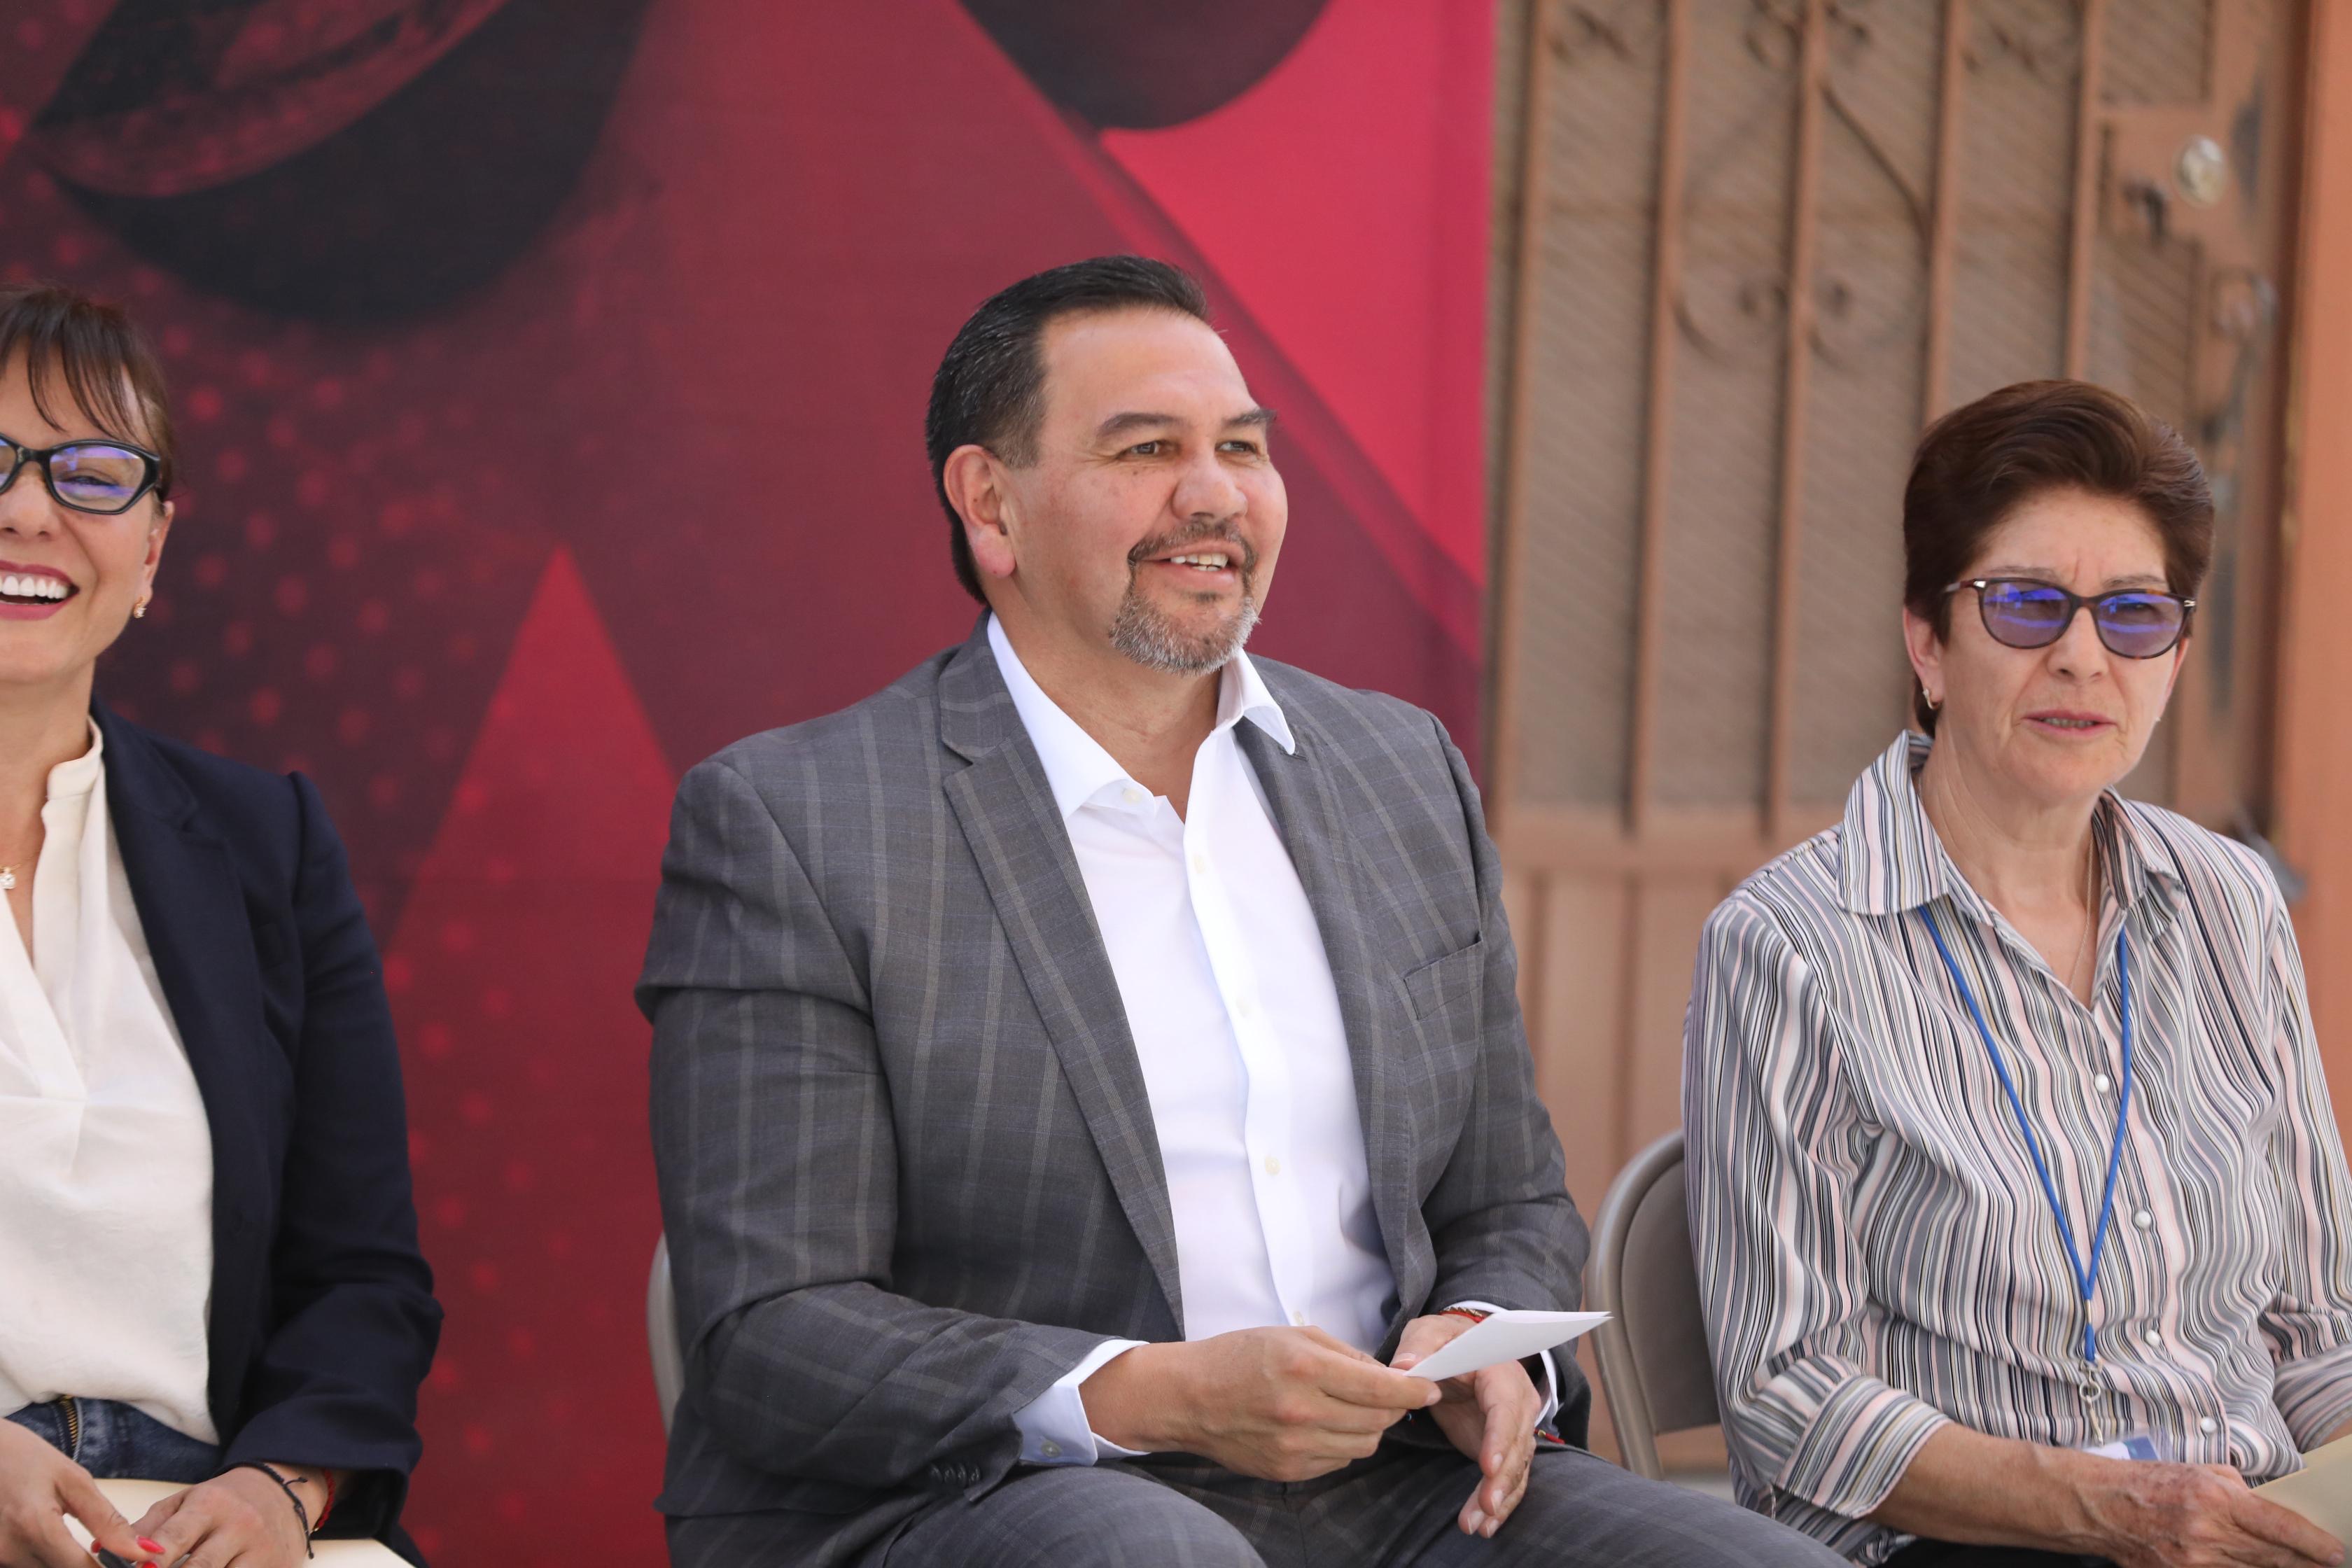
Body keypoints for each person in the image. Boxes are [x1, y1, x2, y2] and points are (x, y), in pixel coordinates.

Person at [640, 255, 1842, 1567]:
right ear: (991, 503)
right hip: (987, 1492)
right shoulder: (799, 822)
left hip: (1400, 1482)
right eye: (1146, 449)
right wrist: (1150, 1394)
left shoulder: (1398, 771)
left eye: (1243, 448)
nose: (1215, 494)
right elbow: (774, 1325)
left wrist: (1482, 1340)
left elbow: (1507, 1199)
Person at [1685, 378, 2352, 1568]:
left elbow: (2318, 1323)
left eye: (2134, 615)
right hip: (1972, 1541)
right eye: (2028, 606)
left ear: (2174, 655)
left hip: (2246, 1527)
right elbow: (1788, 1389)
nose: (2083, 658)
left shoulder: (2231, 904)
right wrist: (2110, 1508)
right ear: (1927, 643)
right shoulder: (1789, 944)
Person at [0, 282, 440, 1567]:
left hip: (197, 1522)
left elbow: (361, 1277)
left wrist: (281, 1491)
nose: (28, 510)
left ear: (152, 551)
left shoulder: (268, 847)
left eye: (92, 475)